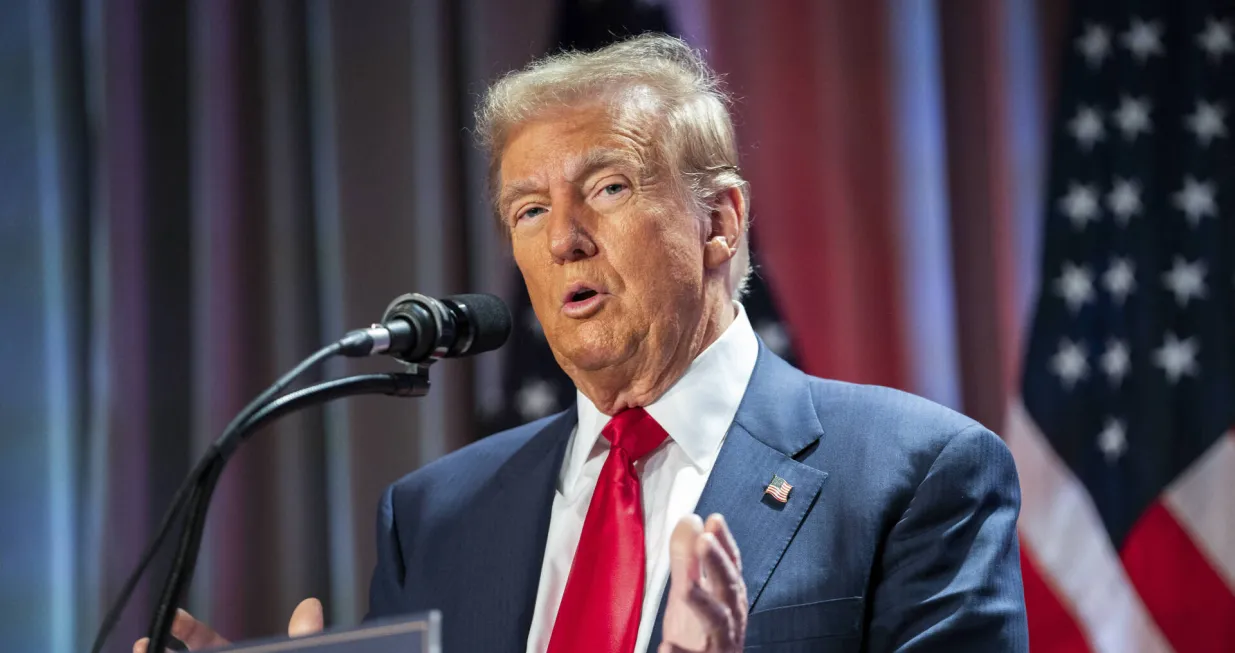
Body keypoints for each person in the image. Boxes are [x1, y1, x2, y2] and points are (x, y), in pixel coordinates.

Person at [136, 34, 1028, 653]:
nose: (562, 236)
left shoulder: (915, 475)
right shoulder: (433, 517)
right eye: (528, 210)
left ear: (719, 222)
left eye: (605, 188)